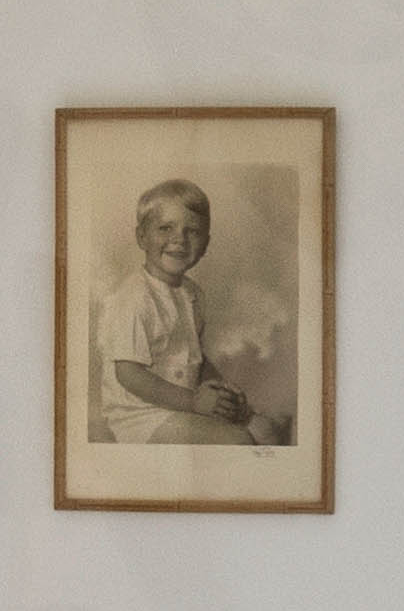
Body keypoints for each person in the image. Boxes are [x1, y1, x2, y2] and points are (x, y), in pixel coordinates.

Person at [92, 173, 291, 450]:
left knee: (267, 432)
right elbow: (129, 374)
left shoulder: (193, 293)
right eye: (165, 228)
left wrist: (222, 391)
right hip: (143, 414)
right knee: (237, 441)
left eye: (192, 231)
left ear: (206, 244)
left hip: (185, 403)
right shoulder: (135, 298)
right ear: (141, 236)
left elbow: (195, 357)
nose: (179, 240)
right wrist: (194, 402)